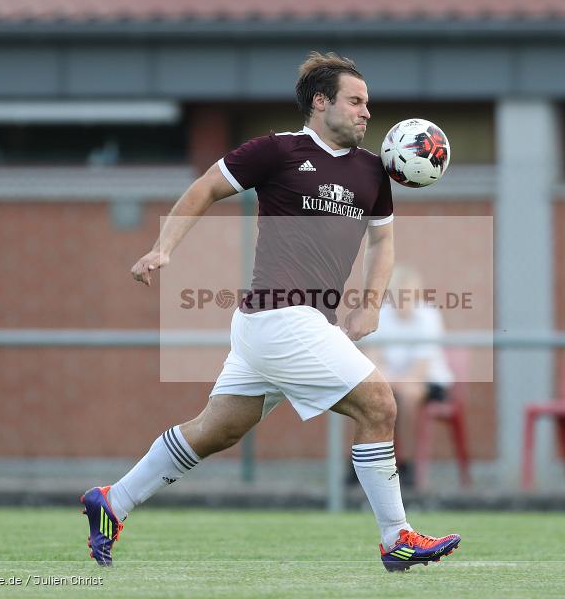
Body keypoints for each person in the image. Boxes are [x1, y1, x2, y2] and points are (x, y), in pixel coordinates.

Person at [80, 51, 460, 572]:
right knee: (380, 405)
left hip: (287, 325)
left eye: (368, 103)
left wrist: (371, 306)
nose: (366, 112)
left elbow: (383, 242)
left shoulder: (374, 171)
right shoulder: (277, 151)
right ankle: (397, 537)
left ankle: (112, 501)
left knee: (217, 430)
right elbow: (205, 188)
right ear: (320, 102)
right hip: (281, 315)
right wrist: (164, 246)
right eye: (355, 101)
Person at [367, 265, 454, 484]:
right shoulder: (382, 315)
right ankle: (362, 462)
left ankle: (406, 464)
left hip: (429, 382)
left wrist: (392, 382)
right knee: (365, 396)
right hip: (392, 381)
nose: (402, 301)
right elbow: (372, 357)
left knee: (409, 395)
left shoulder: (429, 317)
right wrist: (387, 381)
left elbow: (420, 368)